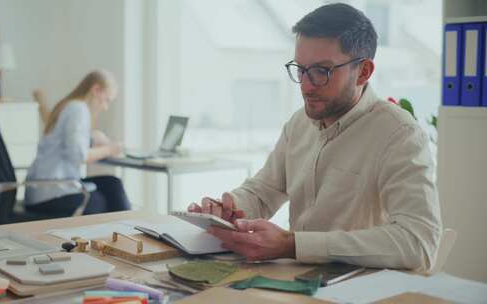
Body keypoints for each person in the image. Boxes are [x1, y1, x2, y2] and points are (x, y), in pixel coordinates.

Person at [188, 3, 442, 272]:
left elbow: (420, 243)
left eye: (322, 71)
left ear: (364, 71)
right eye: (301, 69)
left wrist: (293, 244)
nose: (307, 86)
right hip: (295, 280)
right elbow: (264, 192)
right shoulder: (299, 123)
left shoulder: (399, 134)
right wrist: (229, 211)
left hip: (357, 288)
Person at [25, 71, 131, 216]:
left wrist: (92, 138)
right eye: (106, 100)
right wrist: (111, 149)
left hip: (42, 190)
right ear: (96, 90)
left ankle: (127, 231)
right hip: (50, 194)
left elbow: (64, 142)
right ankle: (130, 231)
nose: (105, 107)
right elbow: (79, 155)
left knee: (112, 184)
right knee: (103, 200)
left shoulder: (67, 105)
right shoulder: (79, 109)